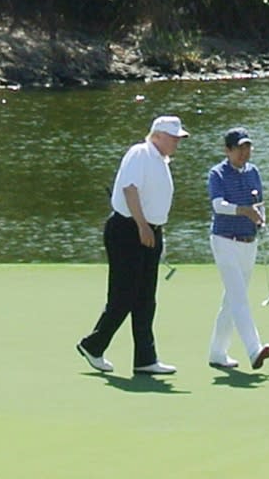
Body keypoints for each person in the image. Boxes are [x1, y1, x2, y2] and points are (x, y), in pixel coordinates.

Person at [76, 115, 189, 374]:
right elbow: (129, 189)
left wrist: (155, 230)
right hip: (128, 230)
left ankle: (145, 359)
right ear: (158, 135)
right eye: (173, 138)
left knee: (146, 298)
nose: (176, 143)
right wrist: (141, 225)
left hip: (149, 232)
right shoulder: (141, 153)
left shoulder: (161, 160)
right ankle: (93, 345)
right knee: (124, 294)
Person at [207, 127, 269, 370]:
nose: (244, 152)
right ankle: (254, 349)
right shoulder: (218, 174)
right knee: (239, 297)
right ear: (228, 150)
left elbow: (259, 203)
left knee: (232, 299)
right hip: (224, 240)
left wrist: (261, 220)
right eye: (239, 148)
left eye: (247, 147)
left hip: (248, 241)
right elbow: (218, 205)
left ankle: (217, 352)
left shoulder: (253, 172)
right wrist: (243, 210)